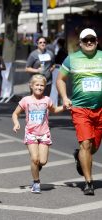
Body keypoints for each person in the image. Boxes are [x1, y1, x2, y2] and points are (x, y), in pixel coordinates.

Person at [57, 28, 102, 196]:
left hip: (100, 109)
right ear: (80, 43)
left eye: (92, 39)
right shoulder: (72, 59)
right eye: (85, 40)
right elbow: (60, 79)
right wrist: (64, 97)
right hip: (80, 109)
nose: (89, 42)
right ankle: (88, 182)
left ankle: (79, 157)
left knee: (94, 147)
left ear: (96, 41)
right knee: (86, 144)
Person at [12, 74, 65, 193]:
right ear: (31, 86)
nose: (39, 87)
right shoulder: (26, 100)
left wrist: (64, 107)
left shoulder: (47, 100)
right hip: (31, 133)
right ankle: (36, 182)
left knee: (42, 161)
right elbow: (15, 113)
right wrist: (16, 123)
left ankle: (37, 167)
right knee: (35, 159)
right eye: (37, 85)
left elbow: (55, 110)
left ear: (45, 87)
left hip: (44, 133)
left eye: (42, 85)